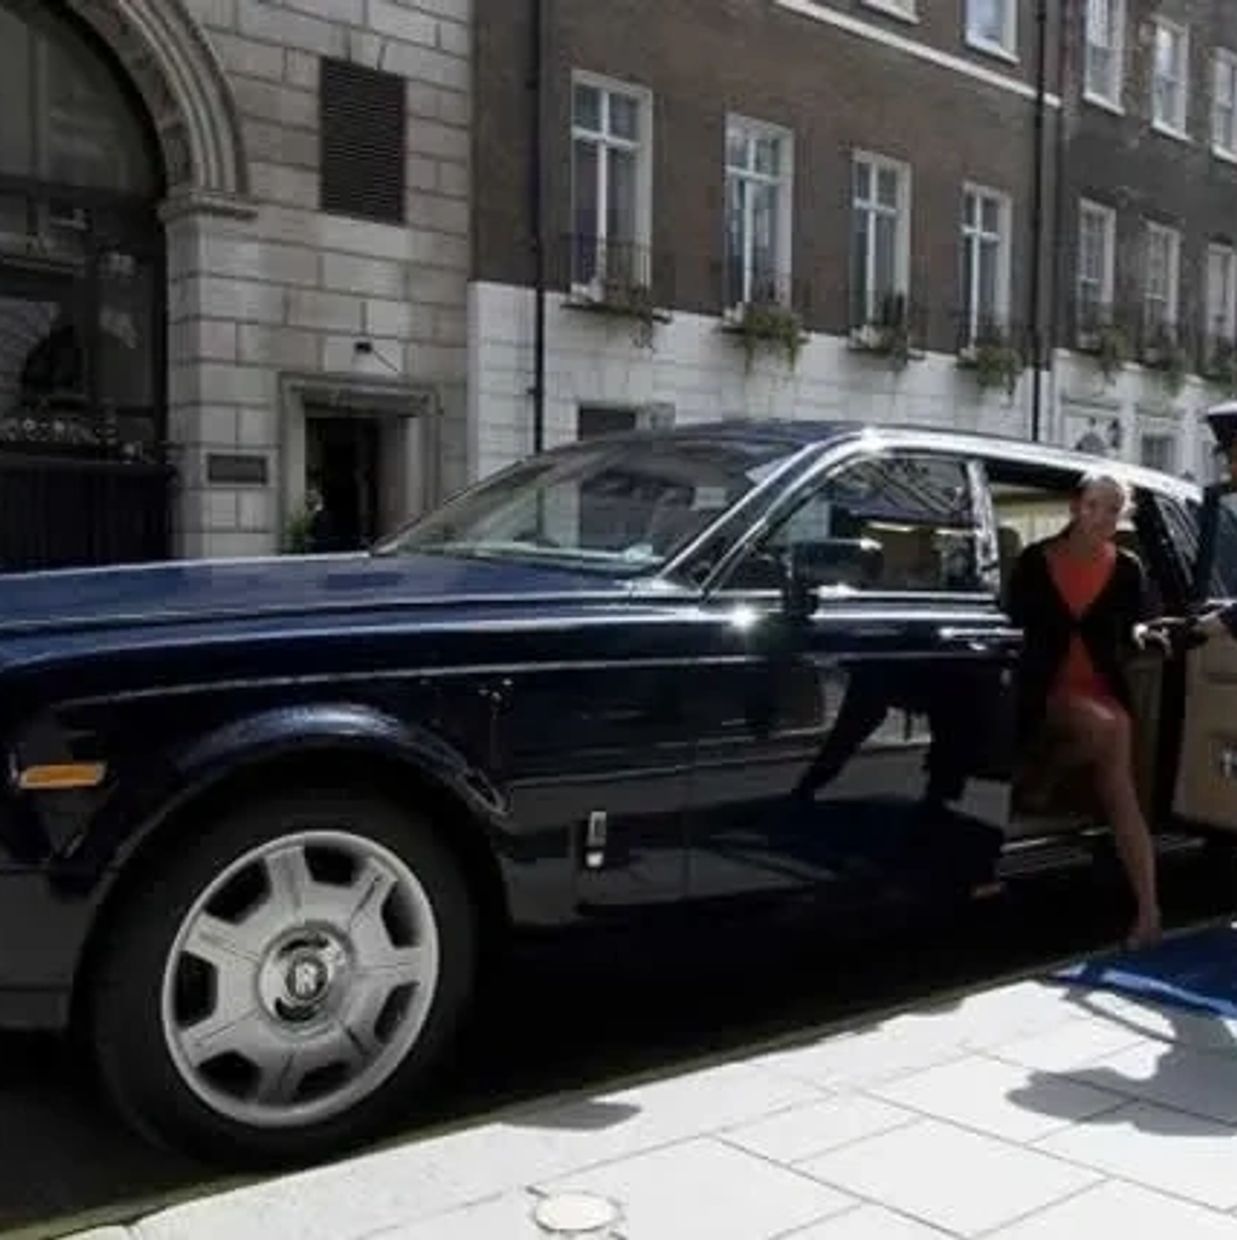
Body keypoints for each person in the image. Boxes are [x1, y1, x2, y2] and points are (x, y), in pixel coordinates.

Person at [1007, 472, 1168, 949]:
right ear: (1077, 507)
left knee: (1115, 760)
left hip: (1100, 688)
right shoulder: (1036, 561)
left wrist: (1142, 635)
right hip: (1044, 689)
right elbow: (1011, 625)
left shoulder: (1128, 568)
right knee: (1112, 733)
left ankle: (1148, 911)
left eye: (1113, 510)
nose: (1103, 518)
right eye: (1095, 505)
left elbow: (1139, 620)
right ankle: (1043, 780)